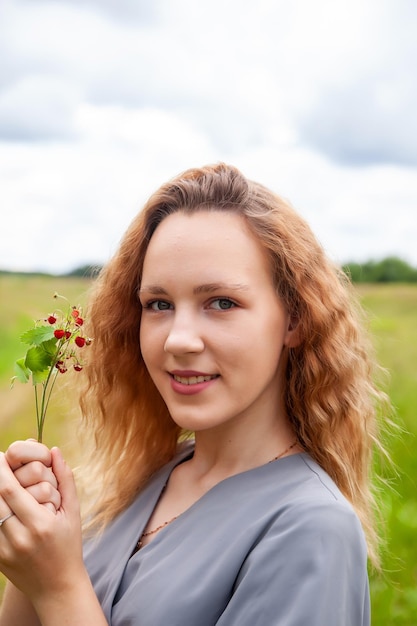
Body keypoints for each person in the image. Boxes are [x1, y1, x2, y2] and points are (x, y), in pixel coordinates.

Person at [0, 163, 390, 625]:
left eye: (222, 302)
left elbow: (62, 597)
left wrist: (60, 585)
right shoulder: (147, 482)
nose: (178, 339)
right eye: (159, 304)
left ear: (295, 320)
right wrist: (32, 549)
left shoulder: (310, 528)